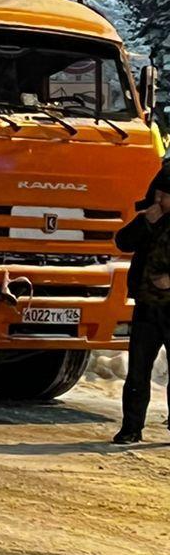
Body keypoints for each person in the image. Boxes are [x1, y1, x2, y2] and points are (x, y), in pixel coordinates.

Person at [113, 168, 170, 445]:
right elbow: (122, 242)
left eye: (165, 195)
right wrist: (144, 223)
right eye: (157, 193)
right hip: (147, 308)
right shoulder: (150, 218)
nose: (159, 199)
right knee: (137, 372)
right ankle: (131, 428)